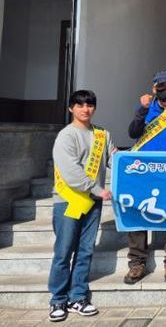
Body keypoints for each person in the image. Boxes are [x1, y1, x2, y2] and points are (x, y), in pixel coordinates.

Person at [48, 90, 115, 322]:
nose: (85, 109)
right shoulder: (66, 136)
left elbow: (114, 159)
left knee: (85, 250)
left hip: (92, 202)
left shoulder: (102, 134)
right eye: (80, 105)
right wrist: (98, 189)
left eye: (89, 105)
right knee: (64, 251)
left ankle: (78, 297)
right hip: (69, 201)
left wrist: (133, 164)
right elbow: (71, 172)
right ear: (71, 108)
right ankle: (58, 299)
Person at [125, 70, 166, 284]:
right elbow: (133, 133)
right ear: (154, 89)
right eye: (161, 87)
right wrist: (142, 110)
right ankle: (137, 262)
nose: (165, 91)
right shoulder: (146, 108)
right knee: (136, 213)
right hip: (144, 171)